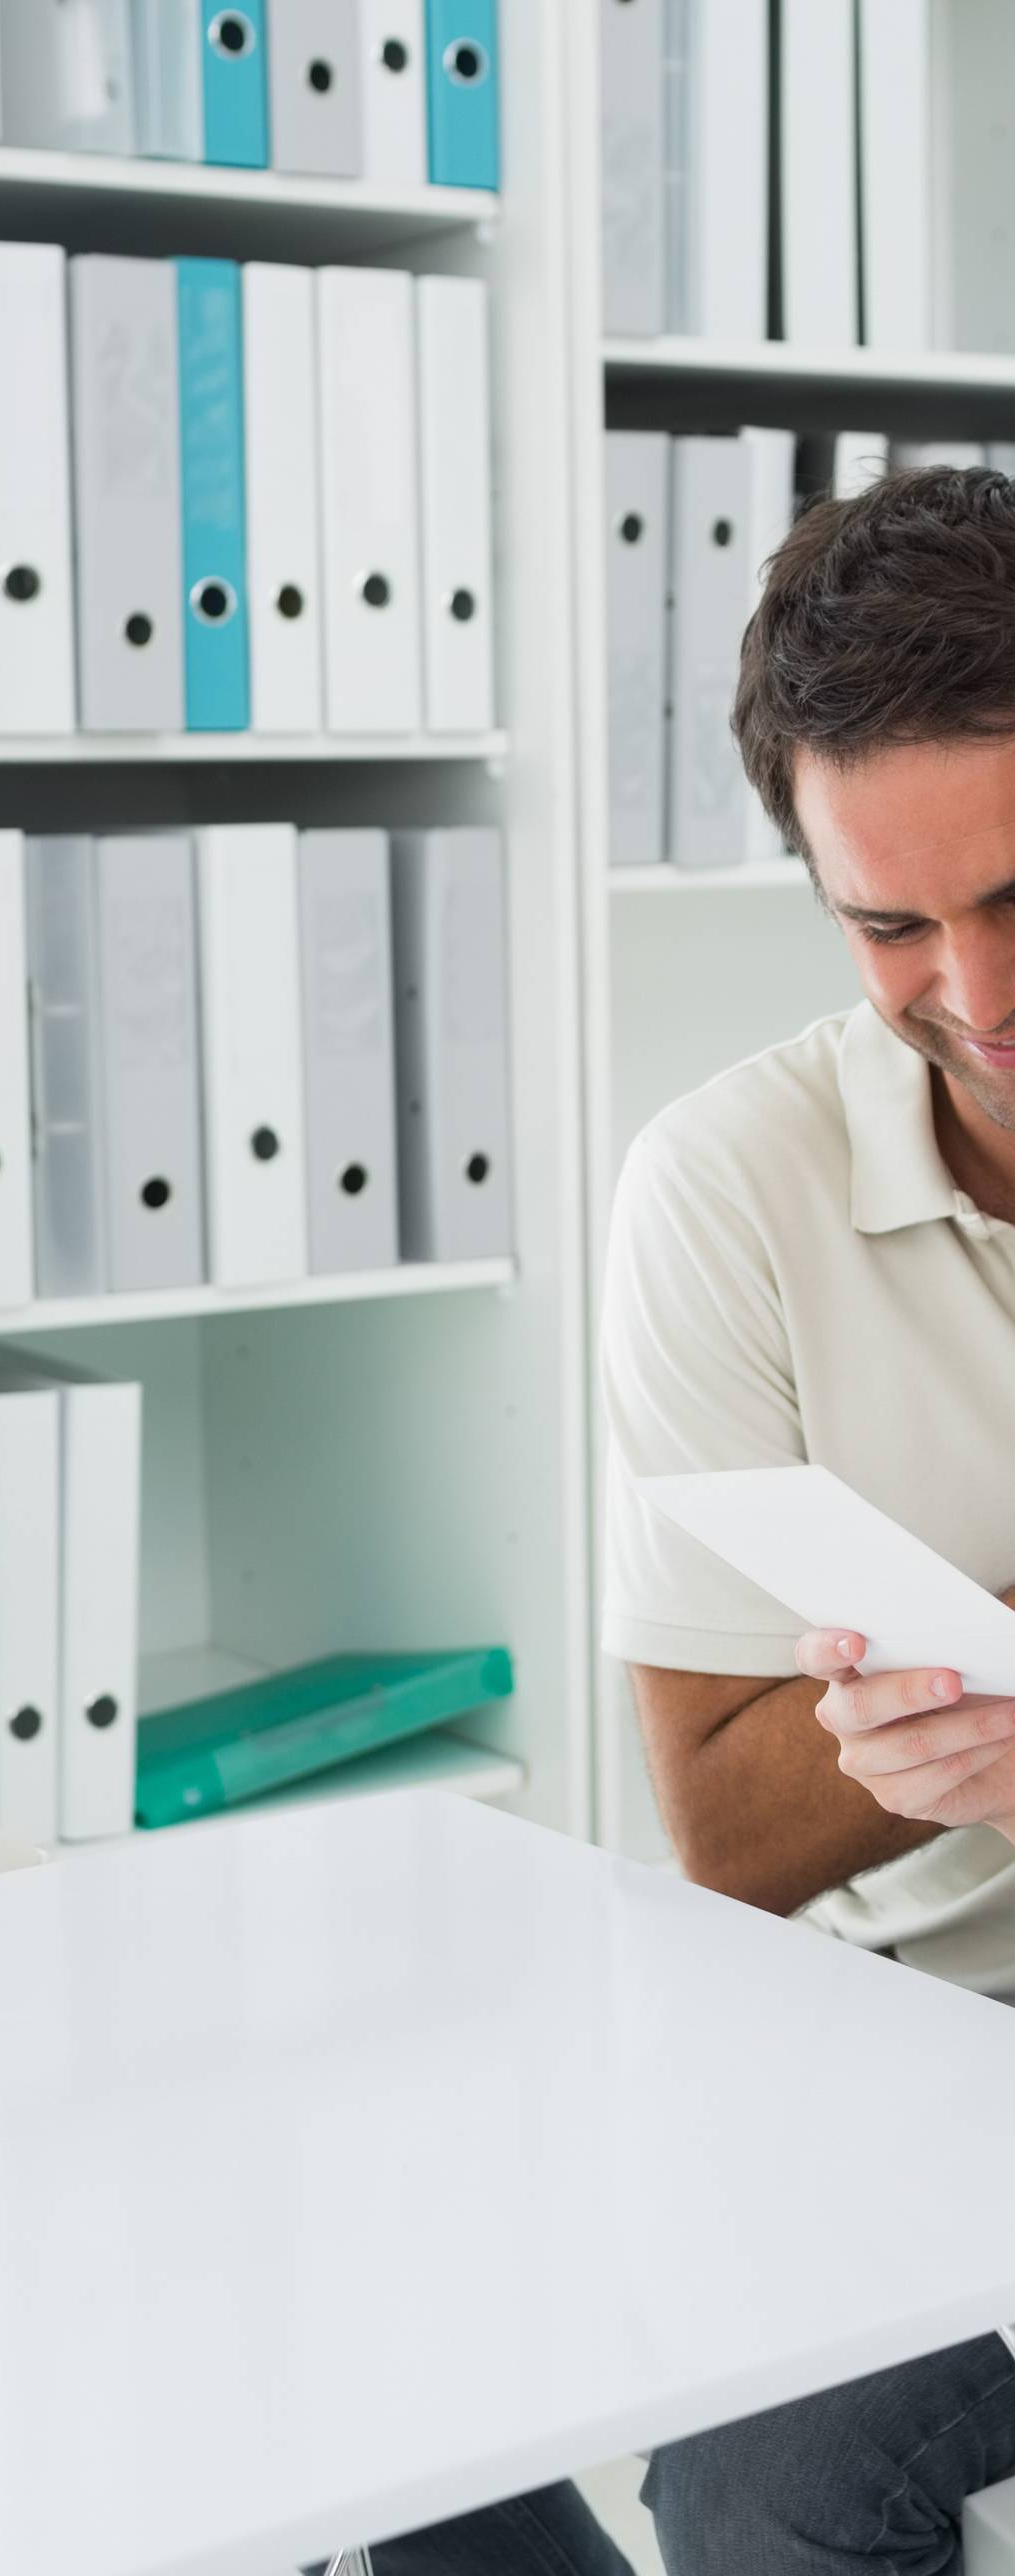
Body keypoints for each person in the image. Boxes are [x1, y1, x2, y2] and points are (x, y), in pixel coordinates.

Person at [359, 465, 1015, 2571]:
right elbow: (727, 1826)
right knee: (417, 2342)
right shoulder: (729, 1187)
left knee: (790, 2482)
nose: (977, 999)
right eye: (891, 922)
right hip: (907, 2051)